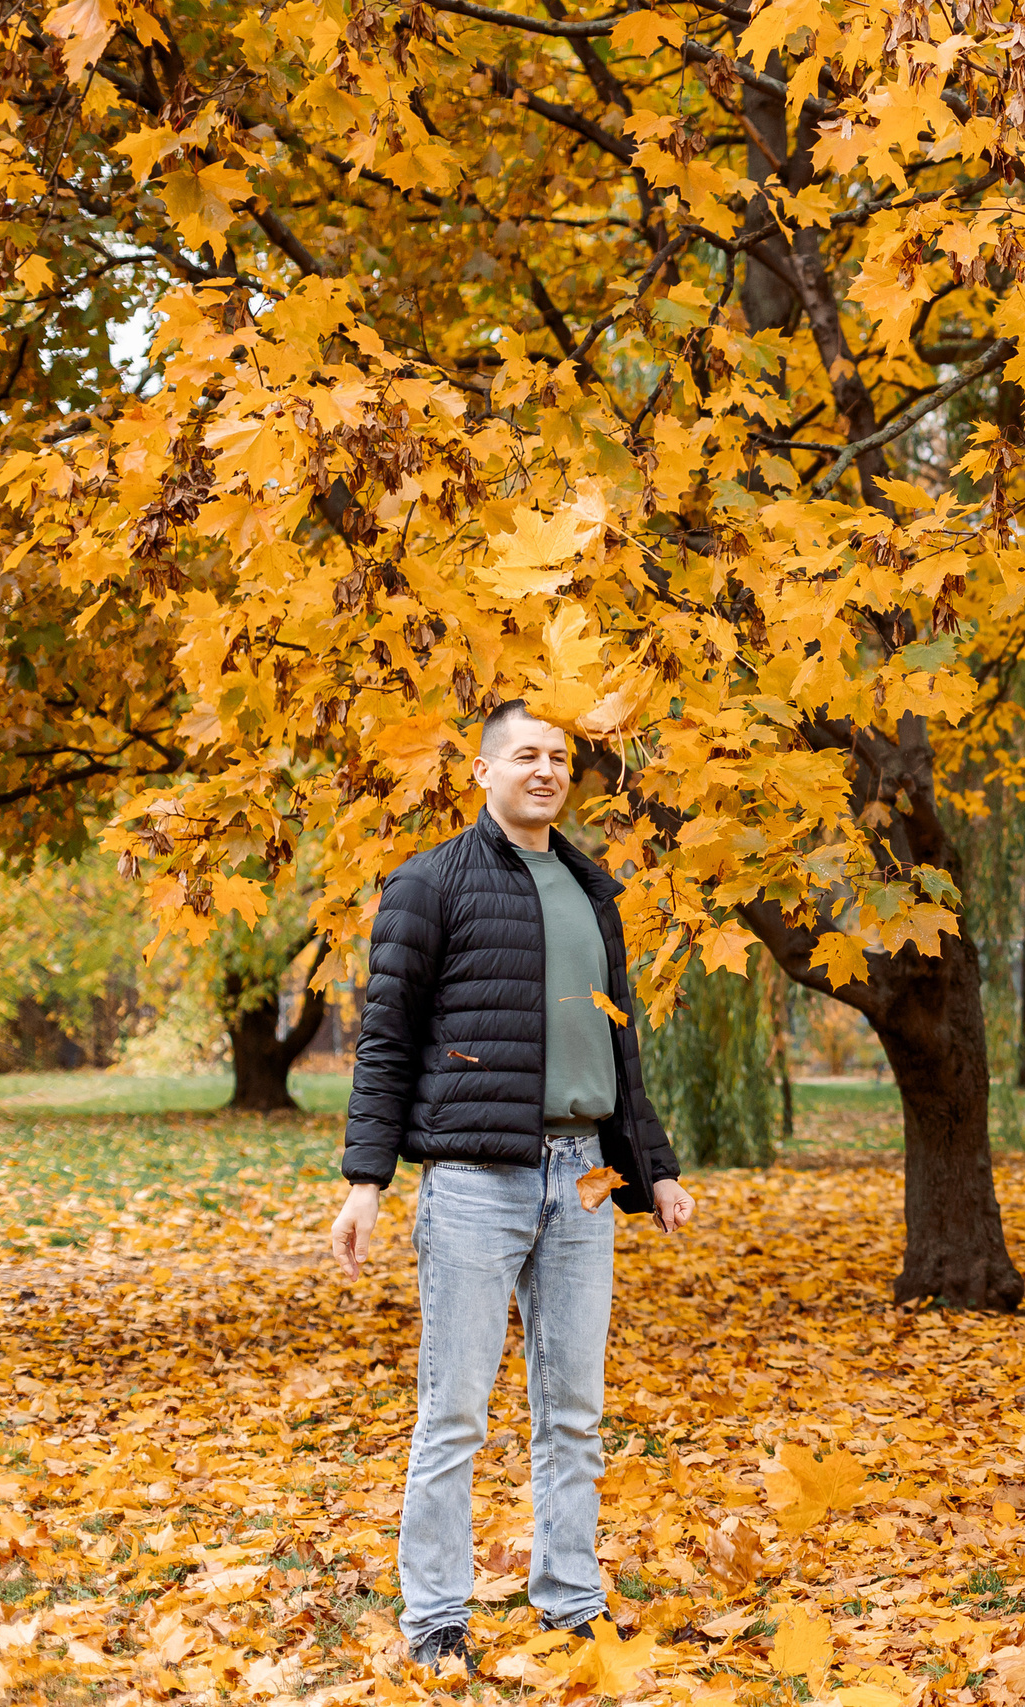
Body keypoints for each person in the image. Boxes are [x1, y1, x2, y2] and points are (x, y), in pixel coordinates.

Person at [327, 701, 696, 1671]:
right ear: (482, 771)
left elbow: (618, 1045)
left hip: (583, 1178)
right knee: (454, 1411)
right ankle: (436, 1618)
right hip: (473, 1183)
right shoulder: (428, 884)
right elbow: (387, 1042)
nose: (545, 769)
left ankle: (571, 1601)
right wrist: (365, 1180)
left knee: (572, 1408)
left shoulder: (591, 888)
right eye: (525, 754)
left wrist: (652, 1169)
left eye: (560, 756)